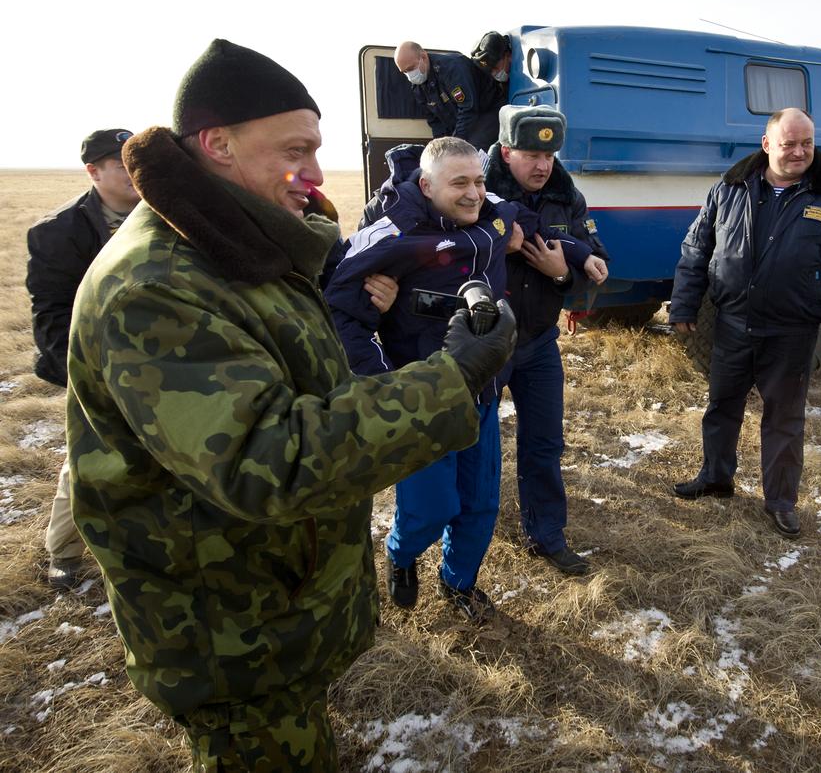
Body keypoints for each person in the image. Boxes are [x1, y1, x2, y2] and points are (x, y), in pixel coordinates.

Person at [65, 38, 515, 771]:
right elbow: (265, 459)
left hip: (275, 606)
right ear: (217, 144)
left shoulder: (241, 249)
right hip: (227, 633)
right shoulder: (155, 286)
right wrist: (450, 376)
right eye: (296, 151)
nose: (313, 172)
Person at [324, 136, 596, 620]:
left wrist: (579, 256)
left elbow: (537, 226)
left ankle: (459, 583)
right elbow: (340, 309)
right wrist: (385, 381)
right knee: (430, 507)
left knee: (478, 504)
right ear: (426, 185)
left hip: (484, 391)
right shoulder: (393, 232)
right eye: (459, 184)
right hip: (423, 400)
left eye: (479, 180)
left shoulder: (495, 209)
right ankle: (401, 556)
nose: (474, 193)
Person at [667, 108, 821, 538]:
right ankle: (715, 477)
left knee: (784, 419)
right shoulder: (729, 190)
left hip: (792, 333)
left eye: (807, 144)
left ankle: (780, 501)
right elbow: (695, 250)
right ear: (767, 145)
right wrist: (683, 306)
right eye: (789, 143)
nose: (800, 152)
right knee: (722, 408)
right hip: (732, 323)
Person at [482, 105, 609, 575]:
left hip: (538, 343)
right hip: (484, 346)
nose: (543, 166)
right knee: (474, 443)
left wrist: (561, 276)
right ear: (506, 150)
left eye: (550, 155)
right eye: (532, 154)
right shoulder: (475, 187)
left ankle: (547, 534)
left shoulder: (564, 194)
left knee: (545, 444)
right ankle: (470, 527)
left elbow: (596, 258)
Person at [27, 127, 139, 588]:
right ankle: (65, 553)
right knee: (87, 460)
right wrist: (86, 375)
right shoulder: (58, 233)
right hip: (96, 371)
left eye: (134, 161)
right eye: (118, 164)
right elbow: (50, 315)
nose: (131, 173)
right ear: (93, 171)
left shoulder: (172, 215)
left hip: (165, 366)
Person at [395, 40, 504, 149]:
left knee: (471, 153)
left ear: (423, 56)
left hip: (488, 112)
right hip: (465, 123)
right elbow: (435, 121)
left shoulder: (452, 68)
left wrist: (455, 142)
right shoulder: (418, 87)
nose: (410, 75)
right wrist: (441, 146)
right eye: (404, 72)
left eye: (410, 68)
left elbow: (468, 109)